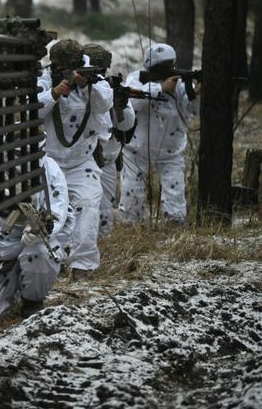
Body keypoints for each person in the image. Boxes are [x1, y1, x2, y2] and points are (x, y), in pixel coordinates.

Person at [37, 39, 113, 279]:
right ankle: (53, 261)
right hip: (49, 160)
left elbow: (104, 104)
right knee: (52, 213)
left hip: (82, 160)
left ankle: (83, 266)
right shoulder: (44, 79)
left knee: (89, 207)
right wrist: (57, 91)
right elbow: (33, 110)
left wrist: (87, 84)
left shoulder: (94, 79)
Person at [0, 155, 75, 319]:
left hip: (31, 248)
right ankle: (14, 288)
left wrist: (39, 231)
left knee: (40, 252)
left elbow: (58, 211)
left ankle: (31, 301)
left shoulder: (50, 170)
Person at [119, 43, 201, 223]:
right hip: (137, 149)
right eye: (161, 67)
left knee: (175, 195)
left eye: (168, 65)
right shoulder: (136, 79)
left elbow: (192, 111)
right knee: (131, 195)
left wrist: (195, 93)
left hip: (171, 151)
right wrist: (160, 88)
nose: (166, 69)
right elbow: (131, 104)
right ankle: (131, 227)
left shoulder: (178, 83)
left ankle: (174, 225)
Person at [81, 43, 136, 235]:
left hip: (107, 158)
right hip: (81, 160)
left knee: (104, 209)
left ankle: (103, 244)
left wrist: (119, 105)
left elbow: (126, 125)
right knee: (83, 208)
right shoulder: (76, 88)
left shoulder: (108, 88)